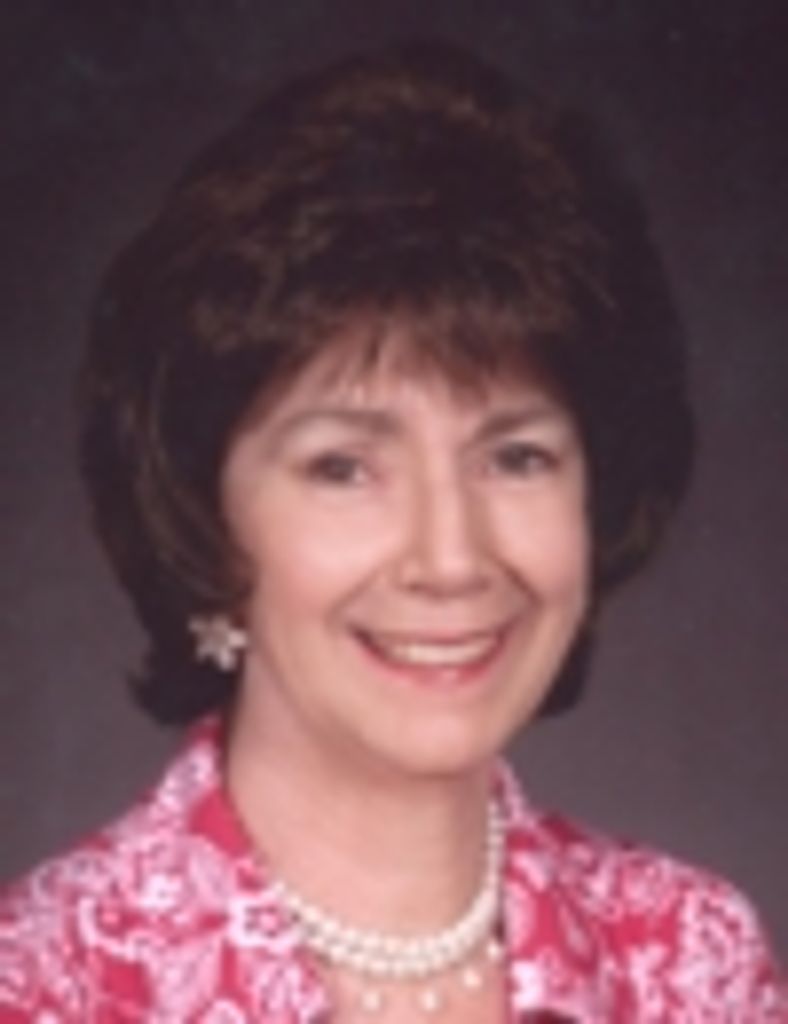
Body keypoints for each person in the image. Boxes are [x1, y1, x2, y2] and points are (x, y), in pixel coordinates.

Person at [0, 39, 784, 1024]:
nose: (450, 559)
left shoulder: (692, 960)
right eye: (344, 468)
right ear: (201, 511)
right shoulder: (46, 984)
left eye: (515, 457)